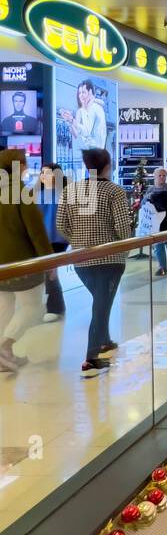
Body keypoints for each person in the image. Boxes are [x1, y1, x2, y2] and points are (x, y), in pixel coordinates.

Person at [57, 147, 131, 378]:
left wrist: (78, 241)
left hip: (81, 261)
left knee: (101, 300)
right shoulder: (114, 191)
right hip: (110, 259)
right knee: (101, 305)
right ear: (108, 165)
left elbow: (61, 225)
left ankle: (105, 340)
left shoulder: (71, 190)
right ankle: (90, 359)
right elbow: (122, 228)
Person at [0, 148, 53, 372]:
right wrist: (49, 261)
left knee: (5, 307)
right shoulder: (21, 192)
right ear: (19, 166)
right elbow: (37, 232)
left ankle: (4, 356)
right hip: (22, 262)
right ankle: (6, 346)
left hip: (2, 265)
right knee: (33, 306)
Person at [38, 163, 67, 321]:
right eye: (43, 173)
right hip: (41, 240)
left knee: (50, 273)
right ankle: (53, 306)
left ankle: (55, 307)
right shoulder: (37, 195)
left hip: (57, 240)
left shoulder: (63, 195)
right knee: (46, 274)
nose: (45, 176)